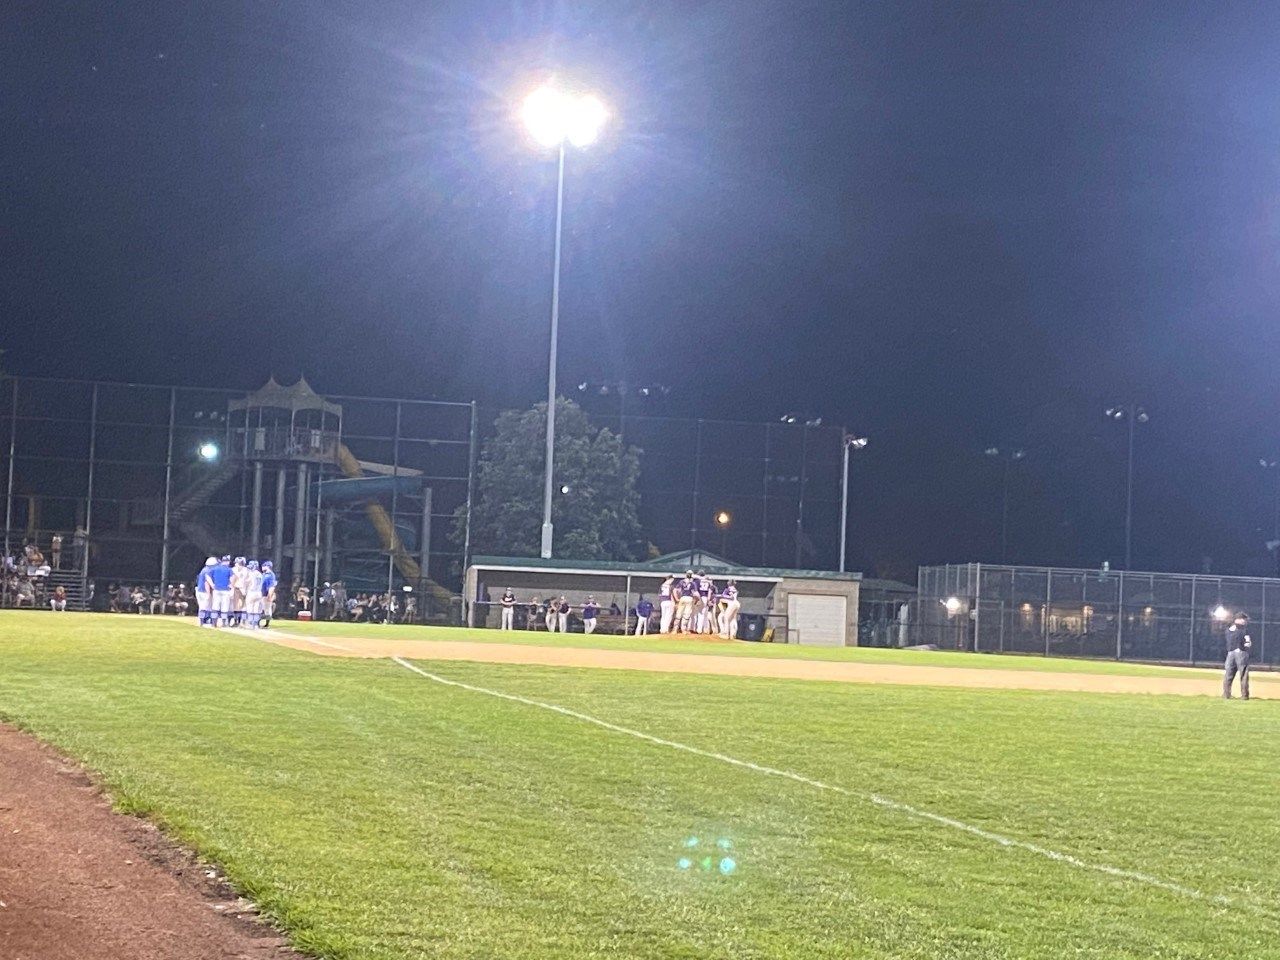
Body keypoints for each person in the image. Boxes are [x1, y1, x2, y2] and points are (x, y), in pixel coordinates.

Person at [1223, 612, 1252, 700]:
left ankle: (1226, 694)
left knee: (1228, 674)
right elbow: (1248, 643)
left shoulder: (1228, 629)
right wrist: (1247, 650)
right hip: (1241, 653)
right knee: (1243, 674)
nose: (1245, 621)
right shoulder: (1244, 630)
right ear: (1239, 619)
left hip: (1230, 653)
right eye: (1244, 619)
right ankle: (1244, 695)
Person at [206, 556, 234, 627]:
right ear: (228, 562)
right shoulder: (229, 569)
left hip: (216, 589)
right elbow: (232, 578)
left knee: (215, 606)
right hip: (225, 590)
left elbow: (207, 576)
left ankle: (213, 623)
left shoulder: (215, 568)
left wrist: (212, 584)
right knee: (225, 607)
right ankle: (224, 623)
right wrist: (231, 585)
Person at [195, 556, 217, 626]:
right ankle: (205, 620)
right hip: (204, 591)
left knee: (202, 606)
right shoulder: (208, 570)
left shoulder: (204, 569)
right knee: (207, 606)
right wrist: (209, 593)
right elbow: (207, 582)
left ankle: (202, 620)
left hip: (199, 590)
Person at [260, 561, 277, 627]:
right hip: (262, 593)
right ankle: (259, 621)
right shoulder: (264, 574)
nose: (262, 567)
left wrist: (269, 595)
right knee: (263, 608)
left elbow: (272, 586)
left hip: (267, 593)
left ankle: (267, 623)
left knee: (267, 609)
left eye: (264, 566)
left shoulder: (271, 575)